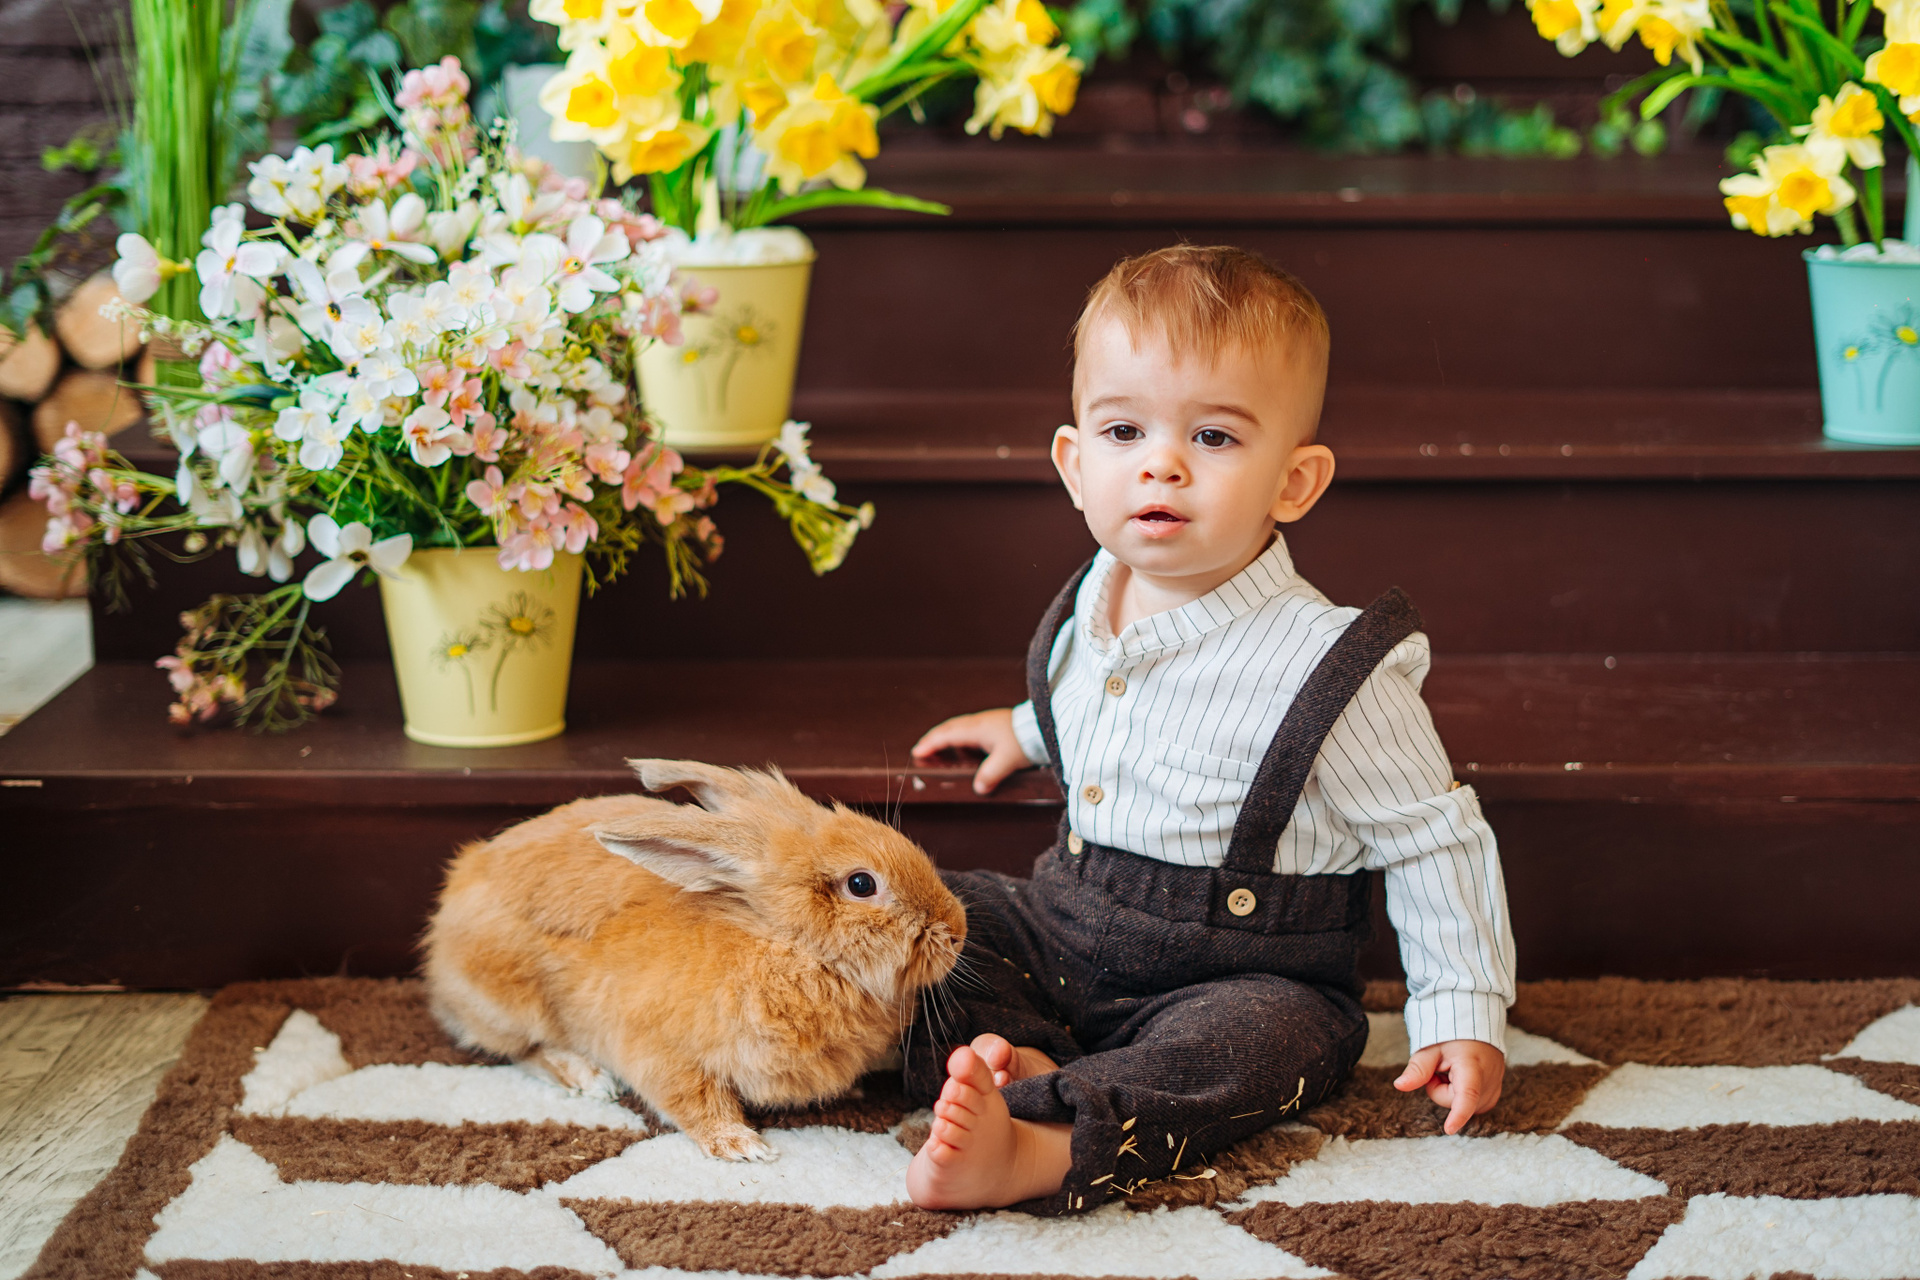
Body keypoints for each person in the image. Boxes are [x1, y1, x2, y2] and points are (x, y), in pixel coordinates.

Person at [902, 244, 1517, 1215]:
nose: (1162, 462)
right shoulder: (1092, 599)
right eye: (1123, 430)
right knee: (926, 919)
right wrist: (1026, 727)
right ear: (1075, 465)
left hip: (1242, 970)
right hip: (1067, 921)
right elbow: (1100, 700)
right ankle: (1026, 1056)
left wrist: (1461, 1010)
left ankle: (1042, 1144)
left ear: (1294, 482)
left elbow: (1432, 836)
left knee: (1261, 1048)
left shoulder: (1329, 664)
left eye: (1215, 437)